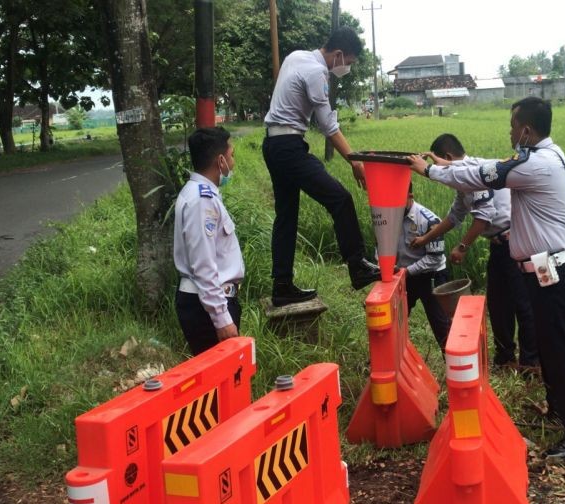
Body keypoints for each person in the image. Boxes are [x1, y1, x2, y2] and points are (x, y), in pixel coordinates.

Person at [407, 97, 565, 460]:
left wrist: (429, 172)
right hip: (545, 268)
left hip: (553, 270)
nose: (509, 132)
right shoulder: (545, 156)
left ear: (525, 130)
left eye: (512, 126)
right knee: (549, 344)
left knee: (562, 349)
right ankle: (559, 411)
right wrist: (448, 164)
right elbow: (485, 165)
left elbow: (483, 173)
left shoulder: (534, 165)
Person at [262, 27, 381, 306]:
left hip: (273, 145)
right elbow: (328, 126)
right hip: (289, 148)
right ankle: (358, 265)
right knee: (340, 198)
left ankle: (282, 286)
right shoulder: (317, 73)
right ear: (338, 54)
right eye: (348, 62)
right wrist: (356, 162)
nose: (347, 68)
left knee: (286, 216)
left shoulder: (296, 56)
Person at [412, 133, 539, 371]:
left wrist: (462, 247)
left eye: (442, 164)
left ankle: (530, 362)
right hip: (499, 245)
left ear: (447, 157)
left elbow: (483, 216)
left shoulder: (476, 171)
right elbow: (454, 216)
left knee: (523, 304)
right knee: (498, 304)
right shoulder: (465, 179)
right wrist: (425, 239)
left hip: (515, 244)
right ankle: (505, 359)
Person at [173, 127, 244, 355]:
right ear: (220, 160)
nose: (232, 163)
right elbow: (203, 264)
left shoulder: (199, 193)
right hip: (207, 307)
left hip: (208, 302)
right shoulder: (201, 201)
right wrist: (222, 318)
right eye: (231, 156)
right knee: (220, 386)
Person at [396, 185, 452, 351]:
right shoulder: (388, 216)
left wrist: (406, 272)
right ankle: (393, 361)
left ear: (410, 196)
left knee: (441, 325)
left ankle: (454, 366)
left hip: (432, 275)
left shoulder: (428, 220)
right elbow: (381, 245)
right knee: (395, 319)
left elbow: (434, 259)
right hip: (403, 275)